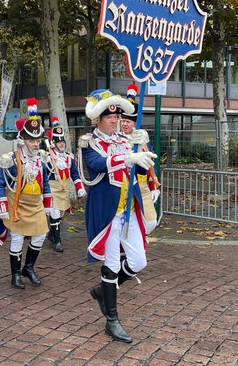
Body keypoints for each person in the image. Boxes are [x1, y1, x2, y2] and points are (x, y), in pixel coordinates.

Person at [79, 88, 156, 343]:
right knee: (111, 263)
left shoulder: (126, 140)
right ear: (98, 119)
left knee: (138, 262)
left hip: (129, 209)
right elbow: (97, 165)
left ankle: (104, 289)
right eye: (109, 117)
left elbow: (140, 169)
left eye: (117, 116)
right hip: (107, 213)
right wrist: (128, 156)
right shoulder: (89, 143)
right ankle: (112, 320)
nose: (115, 120)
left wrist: (142, 148)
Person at [0, 98, 53, 289]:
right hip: (16, 205)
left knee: (40, 236)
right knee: (17, 240)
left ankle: (29, 267)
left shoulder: (41, 158)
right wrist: (1, 206)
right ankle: (16, 274)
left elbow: (45, 183)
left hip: (36, 204)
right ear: (22, 140)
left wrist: (48, 204)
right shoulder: (9, 159)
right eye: (31, 140)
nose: (35, 144)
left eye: (37, 140)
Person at [119, 84, 161, 236]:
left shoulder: (143, 136)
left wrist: (153, 187)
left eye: (128, 121)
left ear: (135, 122)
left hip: (142, 186)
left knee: (150, 222)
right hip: (125, 187)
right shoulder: (117, 139)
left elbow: (150, 164)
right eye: (122, 121)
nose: (124, 124)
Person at [43, 116, 86, 252]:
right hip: (52, 188)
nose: (61, 144)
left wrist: (79, 187)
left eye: (63, 141)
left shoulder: (68, 156)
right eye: (58, 141)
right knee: (54, 213)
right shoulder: (47, 157)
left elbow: (74, 173)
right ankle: (57, 241)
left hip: (64, 189)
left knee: (60, 214)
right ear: (53, 143)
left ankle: (51, 234)